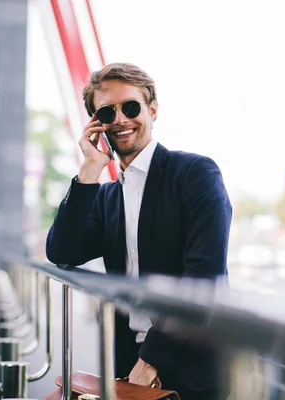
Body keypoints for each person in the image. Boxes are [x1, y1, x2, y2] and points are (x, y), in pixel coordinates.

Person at [46, 63, 232, 400]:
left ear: (153, 110)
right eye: (107, 112)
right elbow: (62, 250)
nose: (119, 119)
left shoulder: (195, 174)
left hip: (191, 369)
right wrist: (90, 168)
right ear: (97, 123)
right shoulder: (106, 197)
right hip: (130, 366)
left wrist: (150, 360)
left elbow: (203, 279)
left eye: (130, 107)